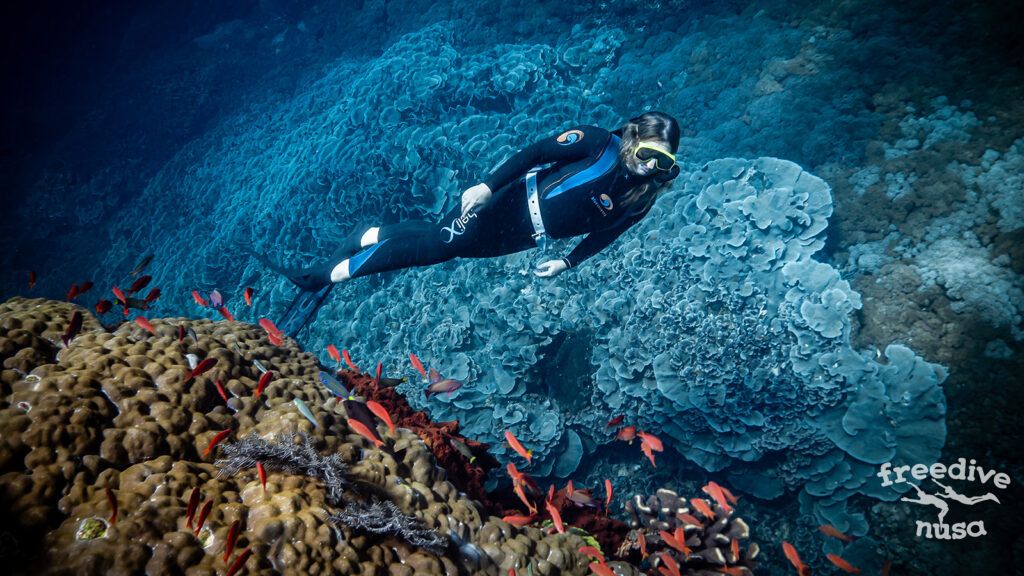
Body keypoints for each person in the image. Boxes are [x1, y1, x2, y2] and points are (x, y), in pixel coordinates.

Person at [262, 111, 681, 290]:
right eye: (646, 154)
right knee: (436, 249)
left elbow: (606, 236)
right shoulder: (595, 142)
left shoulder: (641, 199)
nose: (649, 167)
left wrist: (569, 261)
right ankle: (326, 274)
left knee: (441, 241)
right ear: (632, 137)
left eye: (662, 162)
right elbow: (534, 153)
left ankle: (366, 235)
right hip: (508, 203)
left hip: (525, 237)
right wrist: (487, 185)